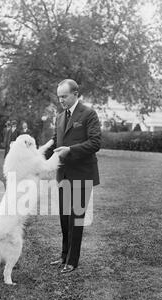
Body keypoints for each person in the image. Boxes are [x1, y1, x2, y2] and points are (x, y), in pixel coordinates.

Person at [45, 79, 101, 274]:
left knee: (76, 219)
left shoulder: (89, 114)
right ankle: (63, 256)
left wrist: (70, 150)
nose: (61, 100)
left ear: (75, 94)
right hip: (64, 175)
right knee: (64, 218)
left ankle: (72, 261)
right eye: (59, 97)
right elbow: (54, 144)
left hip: (82, 175)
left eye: (64, 96)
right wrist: (34, 156)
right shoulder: (59, 117)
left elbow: (95, 143)